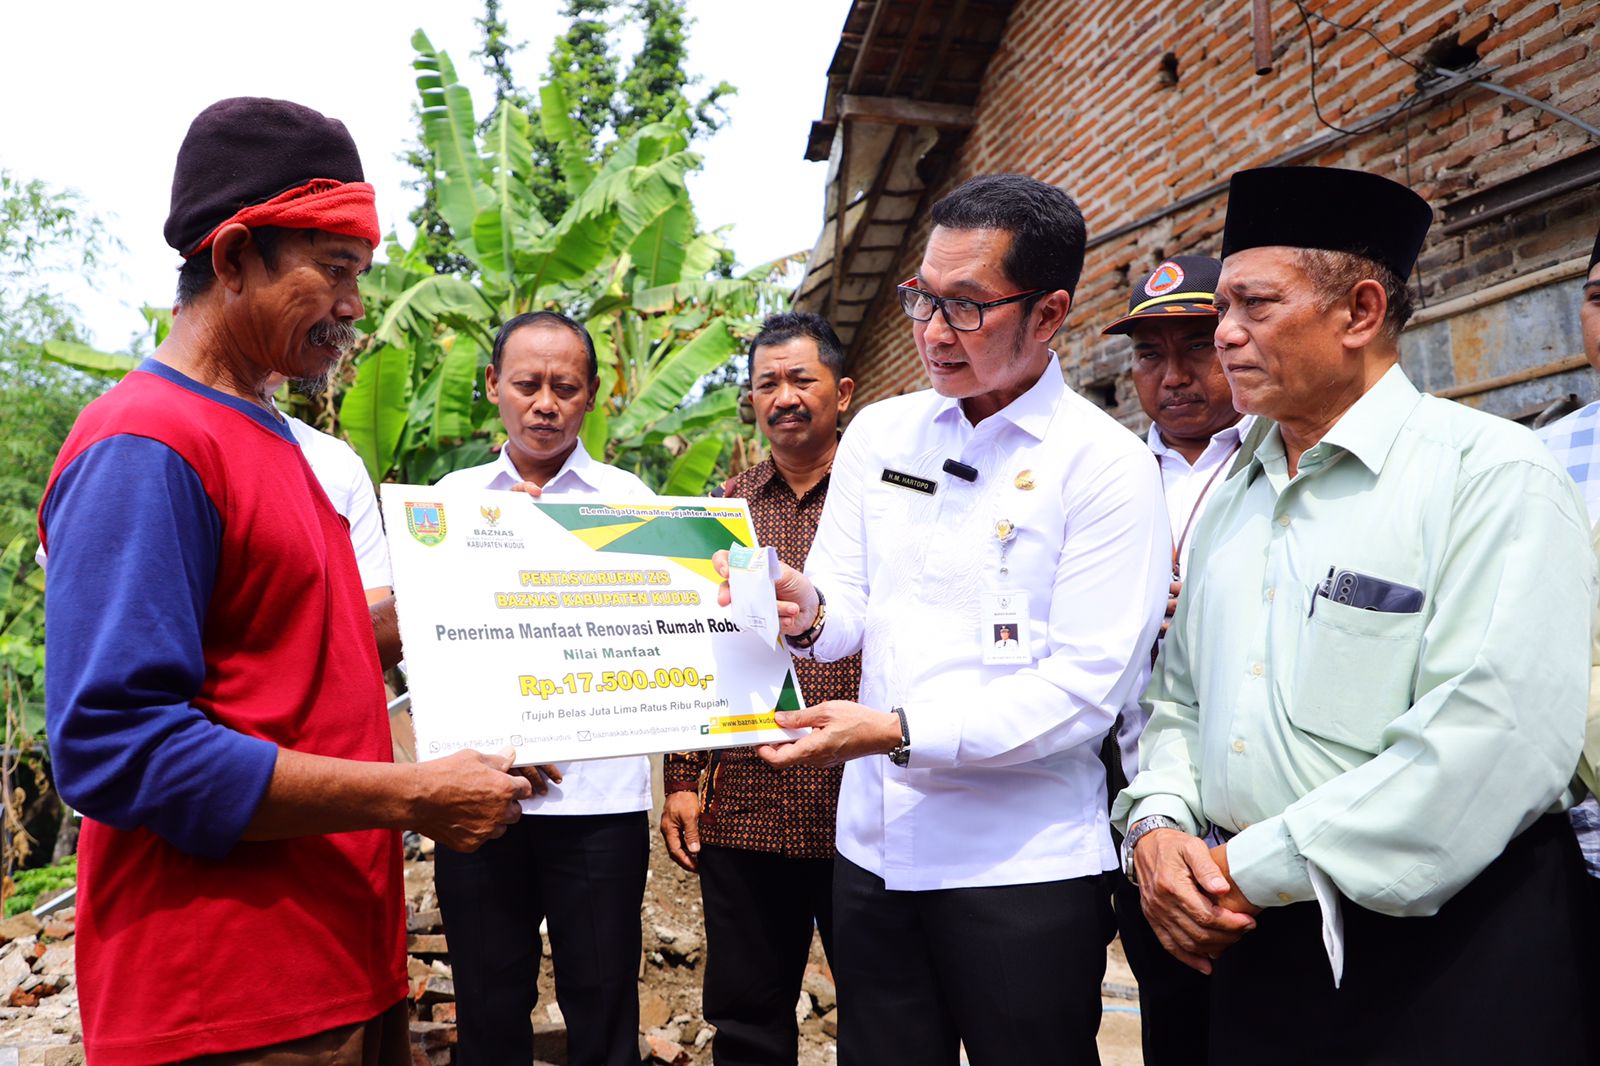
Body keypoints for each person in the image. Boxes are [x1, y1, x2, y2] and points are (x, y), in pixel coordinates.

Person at [38, 96, 531, 1065]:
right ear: (231, 258)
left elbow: (318, 651)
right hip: (230, 1001)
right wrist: (411, 795)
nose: (355, 305)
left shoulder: (269, 435)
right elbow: (114, 744)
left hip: (334, 973)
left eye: (362, 273)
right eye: (334, 270)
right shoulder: (147, 443)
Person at [1114, 166, 1595, 1065]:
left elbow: (1490, 740)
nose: (1223, 337)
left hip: (1450, 951)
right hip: (1250, 937)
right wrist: (1160, 826)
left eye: (1253, 305)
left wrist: (1240, 869)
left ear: (1361, 312)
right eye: (1224, 309)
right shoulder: (1234, 492)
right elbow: (1177, 702)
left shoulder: (1490, 475)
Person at [717, 173, 1170, 1065]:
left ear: (1048, 315)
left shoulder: (1105, 467)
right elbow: (848, 608)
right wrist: (805, 611)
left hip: (1019, 868)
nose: (930, 332)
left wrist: (893, 730)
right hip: (875, 856)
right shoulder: (885, 435)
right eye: (923, 297)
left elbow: (1084, 693)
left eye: (965, 308)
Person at [431, 311, 652, 1066]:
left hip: (600, 802)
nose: (545, 403)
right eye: (526, 384)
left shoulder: (631, 501)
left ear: (594, 394)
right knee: (489, 1002)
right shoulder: (448, 505)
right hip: (479, 794)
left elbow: (668, 631)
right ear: (493, 386)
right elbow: (425, 644)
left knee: (603, 999)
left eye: (565, 386)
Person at [661, 311, 862, 1066]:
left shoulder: (882, 500)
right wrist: (683, 779)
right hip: (749, 802)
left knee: (882, 1010)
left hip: (863, 801)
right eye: (766, 383)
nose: (783, 397)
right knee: (746, 1016)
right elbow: (696, 644)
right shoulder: (726, 507)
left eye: (801, 379)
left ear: (842, 392)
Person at [1098, 254, 1249, 1065]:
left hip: (1251, 789)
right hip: (1133, 791)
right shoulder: (1108, 475)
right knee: (1175, 1011)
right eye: (1150, 355)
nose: (1174, 375)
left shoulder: (1275, 457)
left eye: (1195, 346)